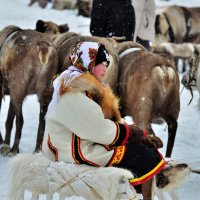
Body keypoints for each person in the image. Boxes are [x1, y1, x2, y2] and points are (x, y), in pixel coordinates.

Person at [42, 41, 166, 189]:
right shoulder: (73, 92)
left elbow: (103, 124)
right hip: (71, 151)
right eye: (102, 64)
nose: (105, 69)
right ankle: (147, 184)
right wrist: (132, 133)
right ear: (89, 64)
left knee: (139, 148)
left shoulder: (84, 88)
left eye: (107, 65)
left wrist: (140, 136)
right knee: (139, 153)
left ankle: (142, 185)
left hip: (78, 144)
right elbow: (98, 129)